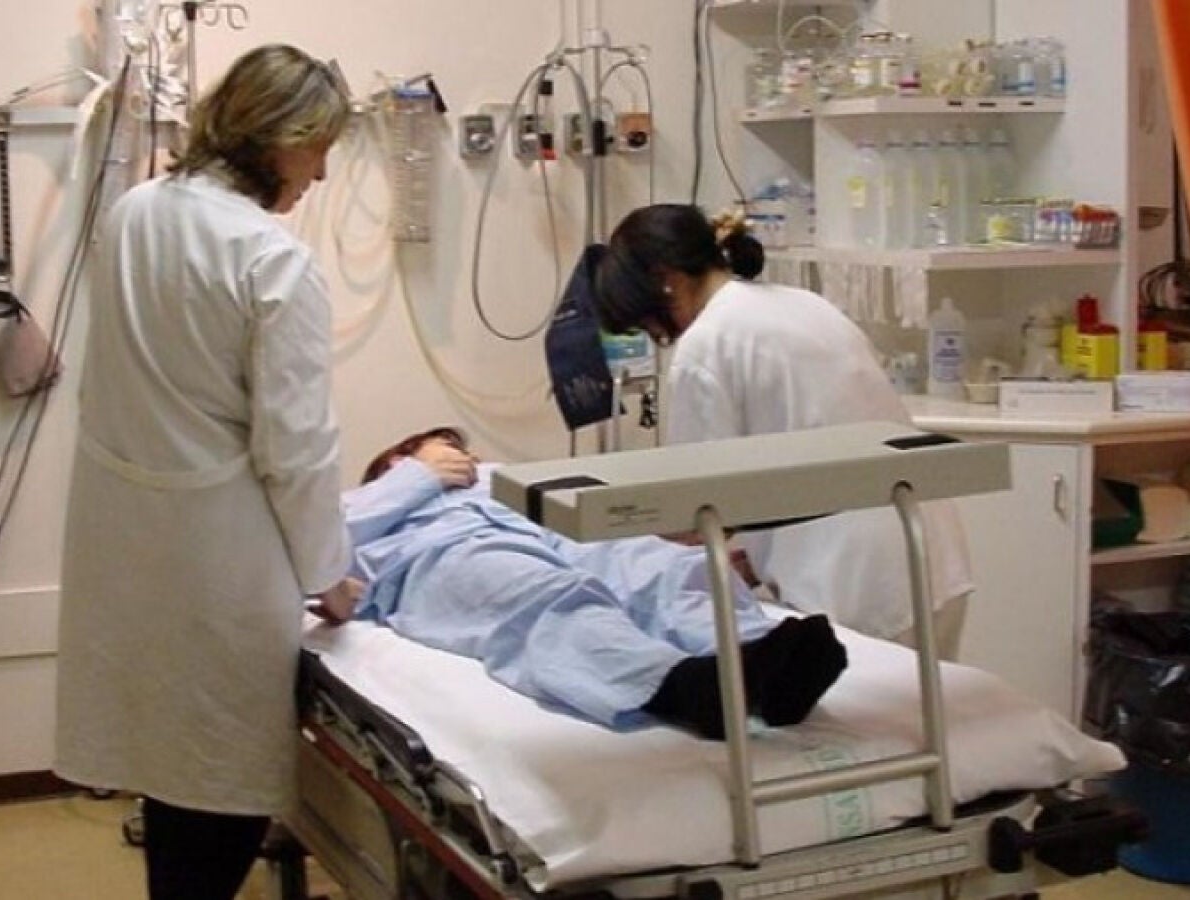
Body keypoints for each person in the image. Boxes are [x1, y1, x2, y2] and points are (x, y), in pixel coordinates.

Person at [53, 45, 361, 900]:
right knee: (220, 783)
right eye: (319, 150)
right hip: (218, 559)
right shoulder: (273, 260)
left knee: (169, 769)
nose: (322, 174)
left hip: (127, 536)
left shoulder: (136, 213)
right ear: (279, 139)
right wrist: (329, 574)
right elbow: (296, 449)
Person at [592, 203, 973, 658]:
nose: (658, 336)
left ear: (665, 280)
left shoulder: (706, 344)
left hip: (856, 586)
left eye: (648, 322)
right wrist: (760, 554)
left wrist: (625, 549)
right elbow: (810, 445)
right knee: (928, 700)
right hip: (929, 555)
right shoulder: (801, 304)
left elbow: (699, 507)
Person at [338, 427, 850, 738]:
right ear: (396, 460)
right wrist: (418, 476)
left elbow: (565, 502)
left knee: (658, 566)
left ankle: (761, 657)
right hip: (443, 553)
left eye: (461, 450)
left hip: (546, 528)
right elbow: (323, 543)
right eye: (444, 448)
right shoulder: (370, 504)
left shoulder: (493, 476)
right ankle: (680, 687)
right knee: (544, 596)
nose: (461, 457)